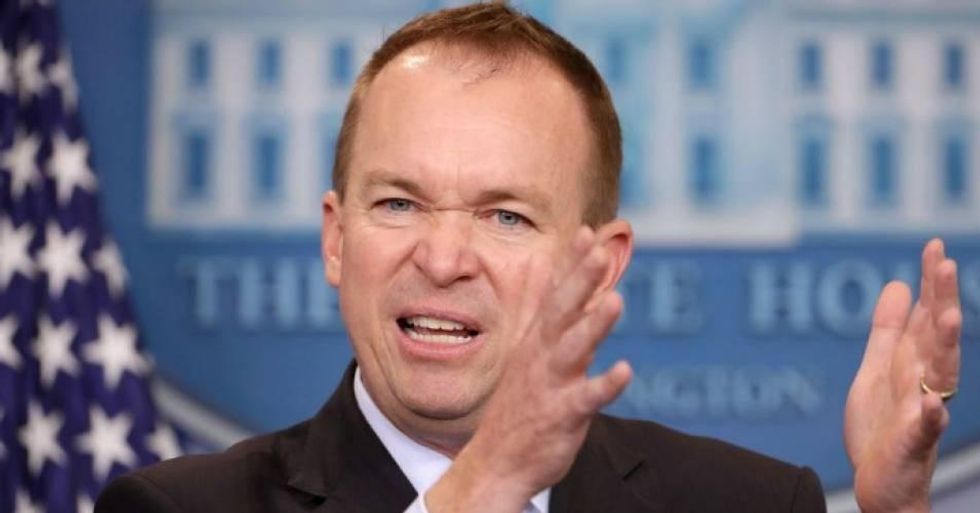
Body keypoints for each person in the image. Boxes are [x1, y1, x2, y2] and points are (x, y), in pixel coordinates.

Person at [95, 3, 962, 513]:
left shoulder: (745, 504)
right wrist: (487, 484)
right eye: (398, 202)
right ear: (336, 236)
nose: (442, 258)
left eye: (504, 215)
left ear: (603, 263)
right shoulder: (177, 511)